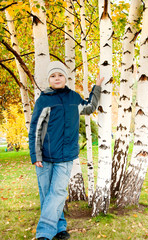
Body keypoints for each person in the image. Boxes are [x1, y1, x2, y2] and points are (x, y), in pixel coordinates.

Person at [29, 61, 104, 240]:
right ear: (49, 79)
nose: (57, 78)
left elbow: (89, 107)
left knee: (59, 192)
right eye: (53, 76)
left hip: (66, 156)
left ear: (66, 77)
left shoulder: (74, 98)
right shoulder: (44, 99)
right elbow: (35, 129)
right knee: (48, 194)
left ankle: (44, 233)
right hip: (44, 157)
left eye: (60, 75)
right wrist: (35, 155)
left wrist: (97, 87)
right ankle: (60, 227)